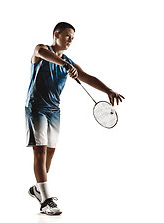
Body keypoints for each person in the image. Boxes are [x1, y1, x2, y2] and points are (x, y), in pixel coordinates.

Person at [25, 22, 125, 215]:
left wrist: (108, 90)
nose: (70, 40)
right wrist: (64, 64)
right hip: (36, 107)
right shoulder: (42, 50)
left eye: (73, 37)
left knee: (50, 153)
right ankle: (45, 200)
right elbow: (41, 52)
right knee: (40, 151)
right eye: (67, 36)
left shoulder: (69, 62)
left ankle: (38, 188)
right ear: (56, 34)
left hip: (54, 110)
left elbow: (88, 77)